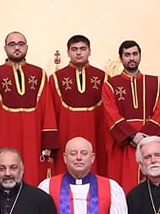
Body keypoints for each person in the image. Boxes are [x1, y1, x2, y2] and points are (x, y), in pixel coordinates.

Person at [0, 31, 50, 186]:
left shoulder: (39, 74)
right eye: (12, 44)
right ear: (5, 48)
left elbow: (47, 109)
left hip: (34, 139)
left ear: (27, 47)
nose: (17, 48)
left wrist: (48, 139)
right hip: (5, 137)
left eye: (21, 44)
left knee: (33, 177)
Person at [40, 34, 112, 173]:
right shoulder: (56, 79)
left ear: (89, 51)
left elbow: (108, 113)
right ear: (68, 52)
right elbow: (50, 112)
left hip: (95, 136)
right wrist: (50, 141)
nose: (79, 53)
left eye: (83, 49)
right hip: (65, 135)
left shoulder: (103, 78)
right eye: (74, 49)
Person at [101, 40, 160, 190]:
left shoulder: (154, 83)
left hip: (148, 142)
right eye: (127, 55)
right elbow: (111, 114)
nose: (132, 58)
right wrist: (132, 136)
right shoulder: (111, 85)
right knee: (125, 184)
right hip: (123, 143)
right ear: (121, 58)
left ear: (140, 56)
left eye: (135, 54)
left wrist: (145, 139)